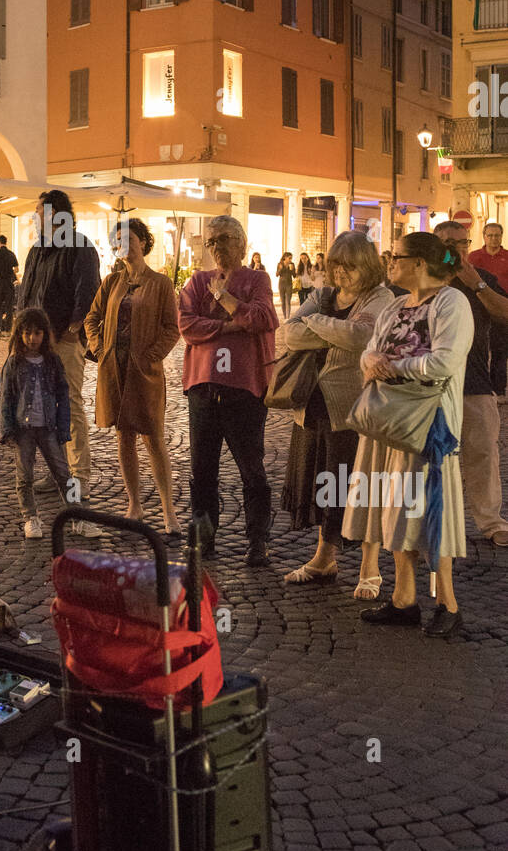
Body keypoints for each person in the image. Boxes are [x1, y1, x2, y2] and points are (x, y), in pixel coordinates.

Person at [343, 234, 473, 639]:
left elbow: (446, 361)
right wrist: (372, 359)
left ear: (419, 263)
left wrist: (395, 366)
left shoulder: (452, 302)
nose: (389, 263)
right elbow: (369, 350)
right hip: (386, 418)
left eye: (395, 257)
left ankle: (448, 605)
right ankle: (404, 599)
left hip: (427, 422)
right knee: (394, 509)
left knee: (432, 507)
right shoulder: (397, 304)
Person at [280, 231, 393, 590]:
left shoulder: (381, 297)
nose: (341, 273)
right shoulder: (324, 295)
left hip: (352, 407)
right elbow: (288, 334)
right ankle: (324, 557)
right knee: (323, 482)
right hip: (313, 402)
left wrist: (312, 323)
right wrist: (334, 330)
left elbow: (363, 337)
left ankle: (368, 567)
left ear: (367, 265)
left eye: (349, 266)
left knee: (353, 483)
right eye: (336, 265)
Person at [179, 214, 278, 565]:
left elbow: (264, 318)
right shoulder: (196, 281)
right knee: (201, 473)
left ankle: (258, 540)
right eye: (211, 241)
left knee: (252, 470)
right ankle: (203, 539)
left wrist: (226, 300)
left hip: (244, 391)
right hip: (203, 390)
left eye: (223, 239)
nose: (216, 248)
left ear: (240, 243)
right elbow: (187, 325)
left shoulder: (258, 279)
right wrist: (232, 327)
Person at [85, 218, 182, 536]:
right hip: (114, 370)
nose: (122, 242)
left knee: (153, 437)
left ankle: (169, 510)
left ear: (143, 242)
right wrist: (100, 349)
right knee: (123, 436)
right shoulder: (112, 282)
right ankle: (134, 504)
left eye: (129, 237)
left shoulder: (161, 283)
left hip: (144, 373)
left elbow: (172, 327)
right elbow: (92, 317)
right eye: (118, 238)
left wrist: (151, 356)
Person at [18, 189, 101, 530]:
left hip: (63, 343)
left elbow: (89, 292)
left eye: (39, 212)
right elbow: (27, 292)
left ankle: (78, 475)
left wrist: (72, 329)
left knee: (70, 405)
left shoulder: (80, 247)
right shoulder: (37, 250)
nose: (35, 218)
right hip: (33, 342)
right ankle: (57, 471)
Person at [428, 221, 508, 547]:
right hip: (430, 385)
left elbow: (505, 313)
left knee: (483, 454)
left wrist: (477, 285)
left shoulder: (482, 279)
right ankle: (431, 519)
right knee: (429, 457)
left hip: (475, 382)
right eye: (448, 242)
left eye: (463, 242)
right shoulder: (421, 279)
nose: (456, 249)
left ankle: (491, 521)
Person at [0, 307, 72, 539]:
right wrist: (8, 429)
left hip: (49, 427)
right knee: (25, 477)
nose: (32, 339)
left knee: (65, 474)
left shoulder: (52, 361)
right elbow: (6, 398)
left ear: (45, 334)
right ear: (19, 334)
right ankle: (30, 517)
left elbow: (63, 393)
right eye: (27, 333)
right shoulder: (14, 363)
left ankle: (78, 514)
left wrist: (64, 426)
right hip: (24, 430)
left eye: (37, 333)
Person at [469, 221, 508, 399]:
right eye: (490, 235)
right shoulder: (474, 257)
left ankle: (499, 389)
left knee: (500, 348)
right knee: (480, 346)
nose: (494, 238)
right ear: (484, 237)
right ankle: (483, 387)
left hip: (501, 306)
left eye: (497, 235)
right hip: (480, 307)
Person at [0, 235, 19, 336]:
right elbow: (16, 269)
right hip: (8, 283)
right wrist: (9, 272)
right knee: (9, 307)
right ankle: (7, 330)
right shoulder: (11, 254)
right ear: (6, 242)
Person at [276, 252, 295, 320]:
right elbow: (277, 274)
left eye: (291, 258)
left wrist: (292, 270)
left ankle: (288, 317)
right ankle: (284, 316)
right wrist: (280, 269)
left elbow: (294, 276)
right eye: (289, 258)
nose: (290, 259)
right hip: (281, 284)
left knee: (288, 301)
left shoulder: (292, 264)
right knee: (283, 301)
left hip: (289, 284)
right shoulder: (280, 264)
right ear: (285, 257)